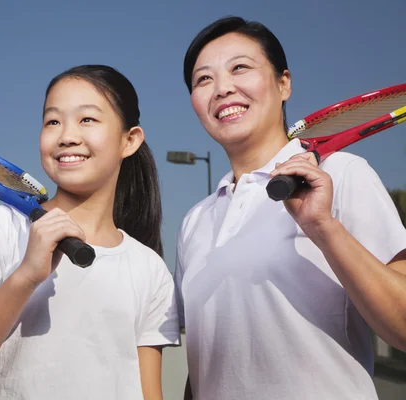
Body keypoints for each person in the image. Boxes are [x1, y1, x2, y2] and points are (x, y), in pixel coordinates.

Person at [174, 16, 406, 400]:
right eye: (203, 80)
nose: (222, 88)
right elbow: (205, 365)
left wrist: (323, 227)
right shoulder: (194, 221)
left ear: (284, 83)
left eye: (240, 68)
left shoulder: (343, 173)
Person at [0, 64, 180, 399]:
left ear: (130, 140)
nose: (66, 136)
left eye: (87, 119)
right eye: (52, 121)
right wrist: (26, 276)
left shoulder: (149, 269)